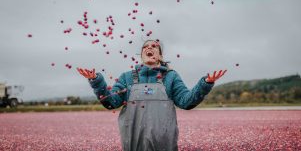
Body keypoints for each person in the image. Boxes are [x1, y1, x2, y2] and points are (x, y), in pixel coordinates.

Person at [77, 39, 227, 151]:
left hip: (164, 143)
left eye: (154, 46)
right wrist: (96, 81)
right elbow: (111, 102)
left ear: (160, 55)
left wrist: (205, 84)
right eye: (145, 46)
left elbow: (186, 101)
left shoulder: (171, 77)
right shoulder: (127, 77)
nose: (149, 47)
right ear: (142, 54)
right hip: (133, 143)